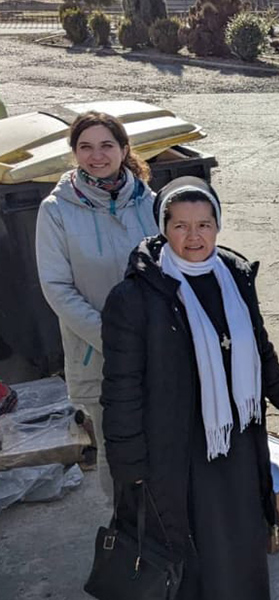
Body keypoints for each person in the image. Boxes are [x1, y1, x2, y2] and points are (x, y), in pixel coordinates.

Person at [100, 177, 279, 600]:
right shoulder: (135, 298)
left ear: (217, 226)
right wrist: (128, 463)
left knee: (236, 528)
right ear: (163, 230)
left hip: (233, 435)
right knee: (190, 536)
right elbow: (120, 388)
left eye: (204, 225)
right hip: (179, 445)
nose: (194, 238)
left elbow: (257, 346)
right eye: (181, 227)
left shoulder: (233, 277)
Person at [35, 111, 158, 497]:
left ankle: (166, 524)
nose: (97, 156)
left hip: (155, 348)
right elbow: (57, 289)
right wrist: (113, 338)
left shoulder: (148, 201)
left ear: (124, 150)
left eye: (107, 145)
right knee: (114, 449)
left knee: (162, 438)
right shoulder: (56, 210)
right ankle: (128, 534)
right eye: (85, 147)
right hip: (98, 354)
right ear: (75, 153)